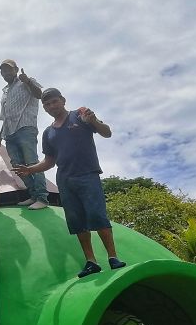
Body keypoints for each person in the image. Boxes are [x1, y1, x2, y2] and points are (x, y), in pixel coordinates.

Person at [15, 88, 126, 278]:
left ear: (63, 100)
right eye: (47, 104)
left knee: (97, 215)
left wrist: (94, 121)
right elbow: (49, 161)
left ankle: (113, 257)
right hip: (65, 179)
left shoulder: (80, 115)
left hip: (87, 174)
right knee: (77, 221)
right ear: (44, 108)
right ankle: (91, 261)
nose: (51, 106)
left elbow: (107, 133)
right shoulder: (48, 133)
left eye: (54, 101)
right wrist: (30, 169)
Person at [0, 59, 49, 210]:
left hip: (25, 128)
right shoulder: (5, 92)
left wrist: (28, 81)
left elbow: (40, 95)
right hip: (9, 133)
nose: (6, 73)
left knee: (32, 162)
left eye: (9, 69)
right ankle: (33, 195)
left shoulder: (26, 81)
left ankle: (42, 198)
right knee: (17, 166)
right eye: (3, 71)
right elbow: (6, 118)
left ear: (16, 70)